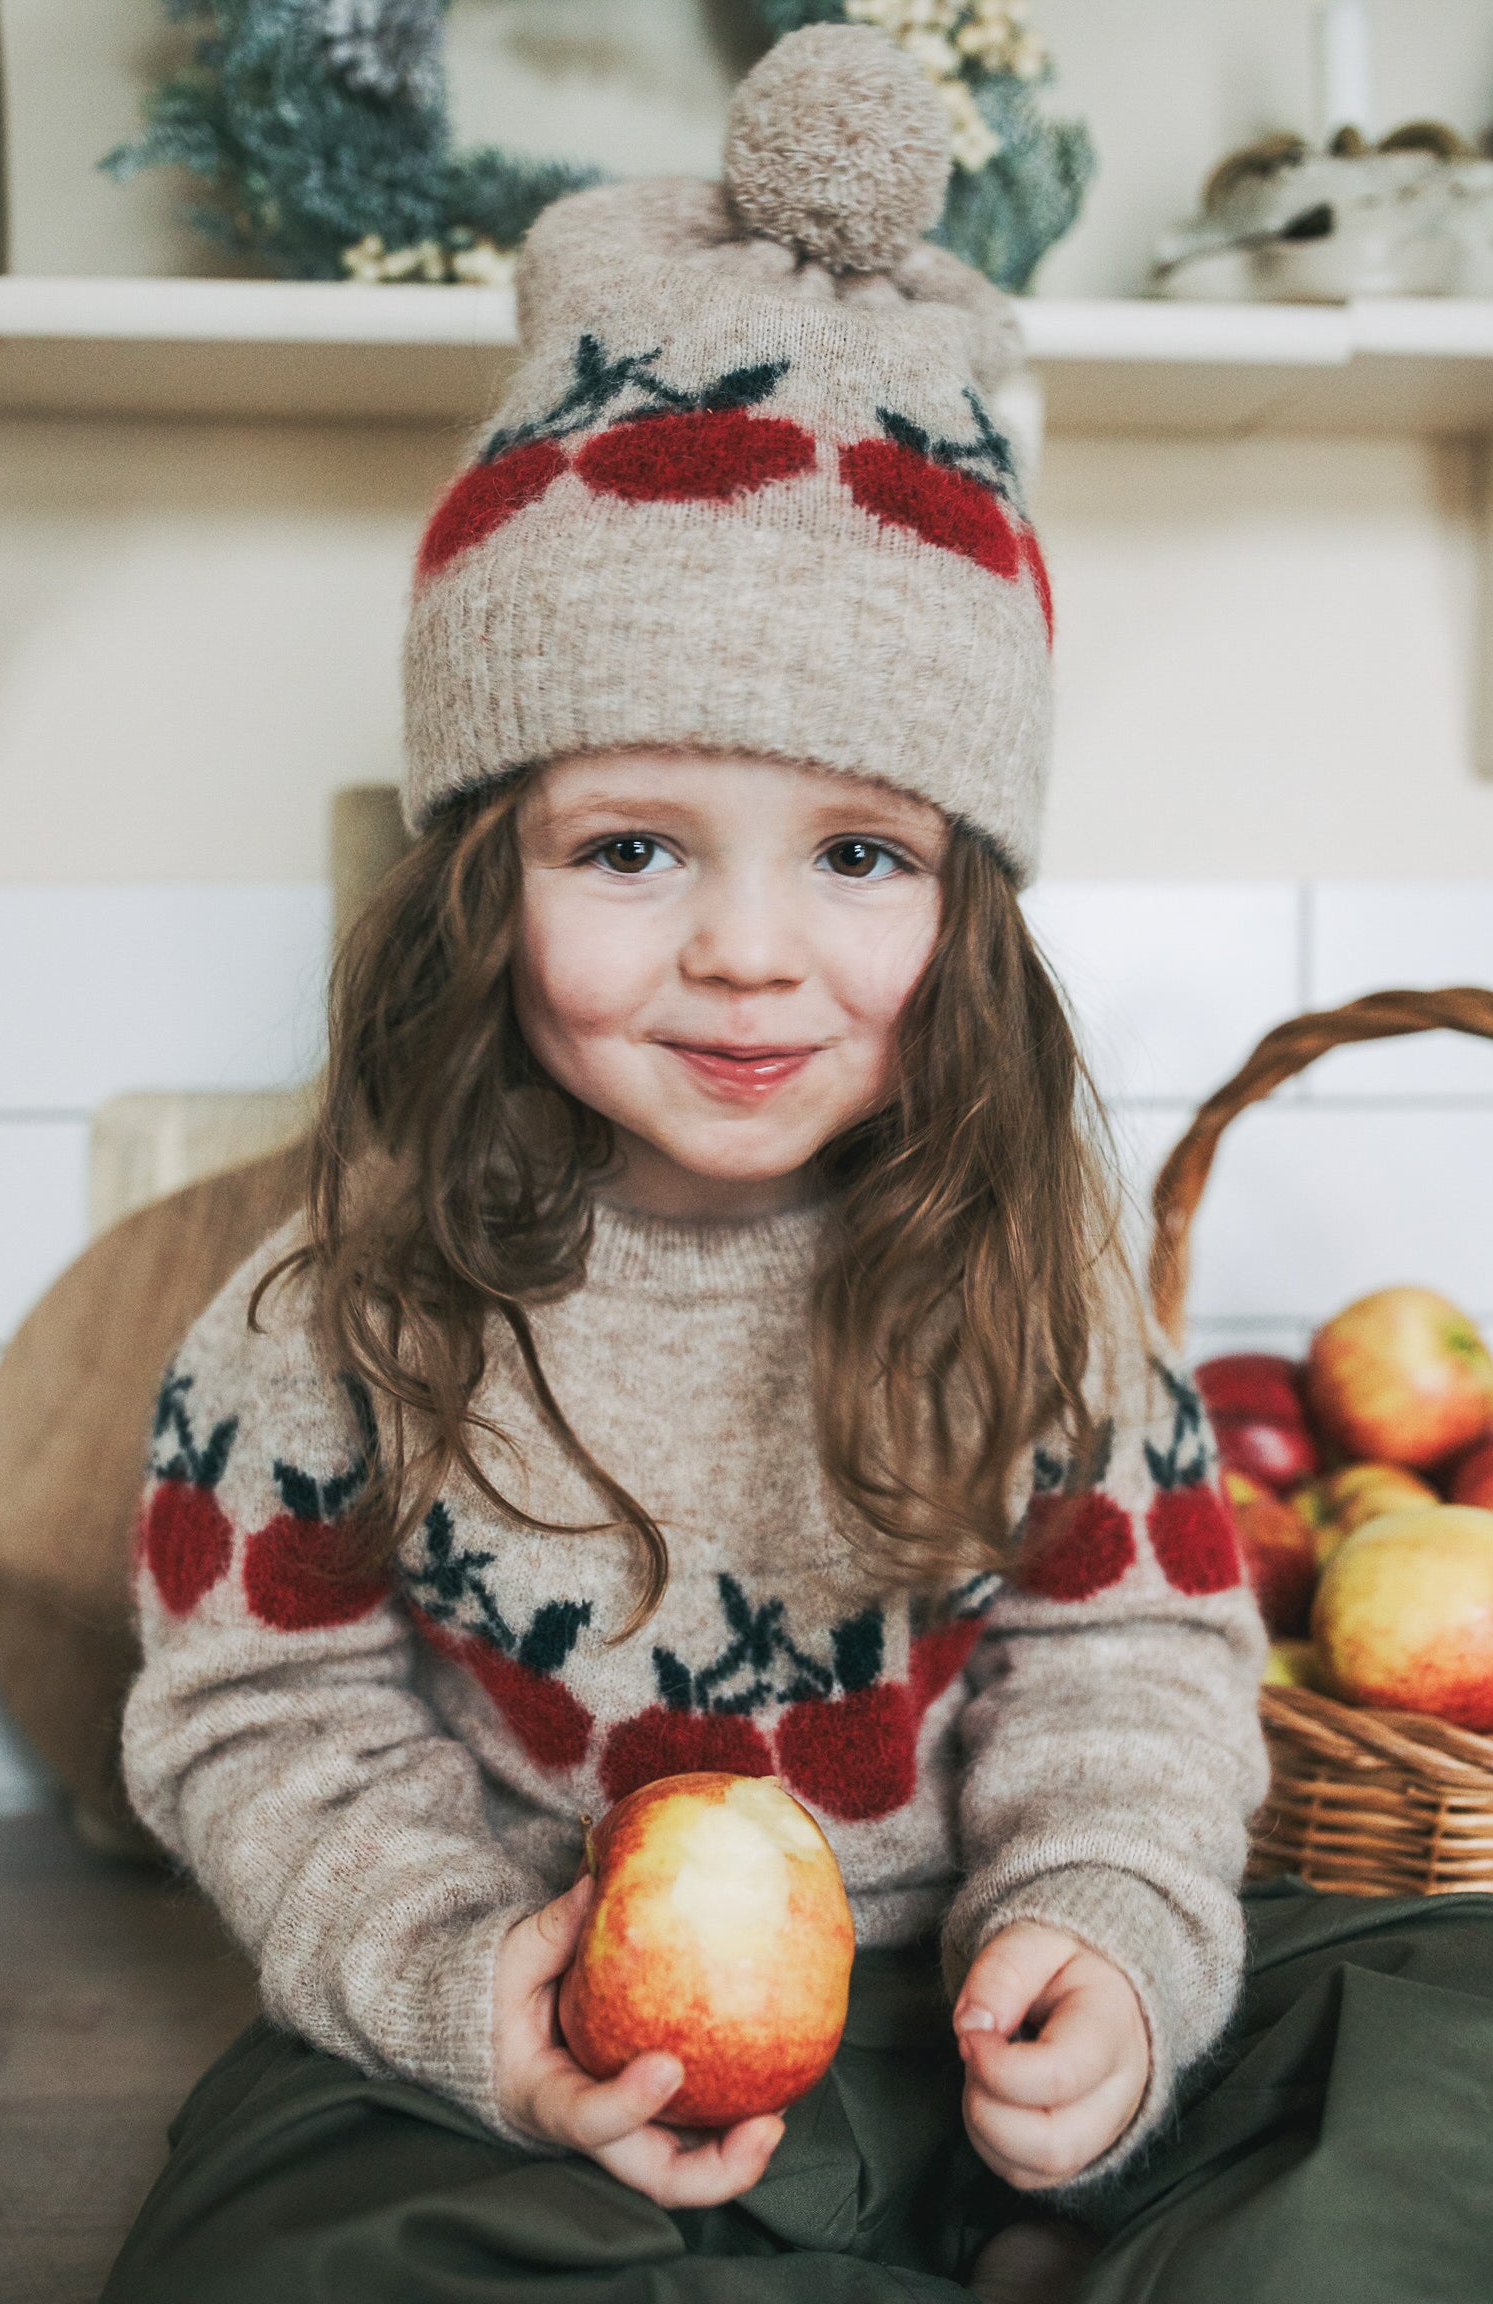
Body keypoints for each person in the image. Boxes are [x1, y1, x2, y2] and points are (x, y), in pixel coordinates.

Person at [100, 30, 1493, 2304]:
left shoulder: (1036, 1276)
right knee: (299, 2244)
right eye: (632, 847)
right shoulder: (326, 1320)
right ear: (484, 882)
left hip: (972, 2000)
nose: (750, 955)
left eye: (857, 852)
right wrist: (482, 1994)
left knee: (1448, 2048)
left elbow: (1136, 1655)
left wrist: (1112, 1947)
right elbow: (266, 1720)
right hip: (557, 2045)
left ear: (969, 908)